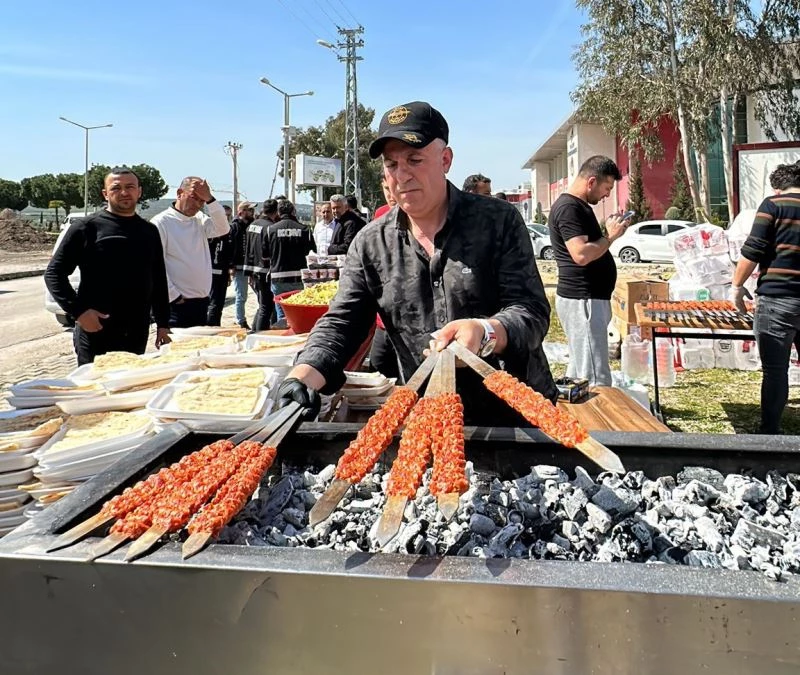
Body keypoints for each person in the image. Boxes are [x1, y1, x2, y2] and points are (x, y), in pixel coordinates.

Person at [276, 100, 556, 424]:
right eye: (391, 165)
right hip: (430, 418)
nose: (402, 175)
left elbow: (531, 311)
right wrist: (303, 375)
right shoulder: (370, 244)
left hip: (516, 416)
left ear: (445, 159)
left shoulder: (498, 222)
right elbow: (343, 321)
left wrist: (485, 331)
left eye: (414, 159)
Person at [44, 167, 170, 365]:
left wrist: (163, 323)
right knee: (93, 391)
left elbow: (159, 279)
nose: (124, 192)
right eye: (116, 188)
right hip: (97, 330)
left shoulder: (149, 231)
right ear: (105, 193)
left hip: (136, 331)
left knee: (129, 388)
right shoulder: (86, 228)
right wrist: (79, 312)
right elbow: (54, 274)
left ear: (139, 191)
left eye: (130, 187)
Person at [731, 161, 800, 434]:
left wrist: (736, 286)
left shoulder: (773, 205)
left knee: (775, 370)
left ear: (777, 187)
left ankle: (770, 430)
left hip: (777, 300)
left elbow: (753, 250)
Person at [549, 155, 628, 387]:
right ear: (591, 181)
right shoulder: (569, 208)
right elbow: (581, 254)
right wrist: (610, 236)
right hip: (583, 299)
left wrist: (607, 234)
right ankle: (597, 421)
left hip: (588, 300)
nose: (607, 195)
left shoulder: (578, 207)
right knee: (594, 376)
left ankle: (580, 419)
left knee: (582, 369)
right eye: (606, 188)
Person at [150, 177, 230, 327]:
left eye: (202, 201)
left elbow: (222, 228)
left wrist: (210, 199)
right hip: (176, 305)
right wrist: (174, 296)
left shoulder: (199, 219)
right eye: (194, 198)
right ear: (180, 193)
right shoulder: (161, 222)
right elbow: (154, 264)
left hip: (201, 302)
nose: (198, 205)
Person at [267, 200, 316, 327]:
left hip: (278, 277)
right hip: (299, 277)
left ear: (278, 212)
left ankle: (284, 337)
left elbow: (265, 255)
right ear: (293, 211)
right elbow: (312, 251)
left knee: (282, 315)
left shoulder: (271, 230)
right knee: (298, 312)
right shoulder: (304, 229)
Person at [244, 200, 279, 331]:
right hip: (265, 271)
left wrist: (248, 272)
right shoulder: (269, 227)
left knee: (262, 305)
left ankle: (254, 330)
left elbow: (247, 249)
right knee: (267, 307)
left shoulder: (252, 225)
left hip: (253, 270)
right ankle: (259, 334)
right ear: (276, 212)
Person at [229, 202, 256, 328]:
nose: (252, 212)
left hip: (252, 266)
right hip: (239, 267)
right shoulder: (235, 227)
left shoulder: (251, 226)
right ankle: (241, 320)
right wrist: (231, 265)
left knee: (260, 295)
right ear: (241, 212)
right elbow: (231, 247)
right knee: (241, 295)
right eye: (249, 210)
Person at [206, 224, 234, 326]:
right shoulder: (214, 237)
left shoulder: (224, 236)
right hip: (216, 272)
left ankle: (215, 324)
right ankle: (212, 325)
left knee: (218, 303)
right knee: (215, 302)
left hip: (220, 272)